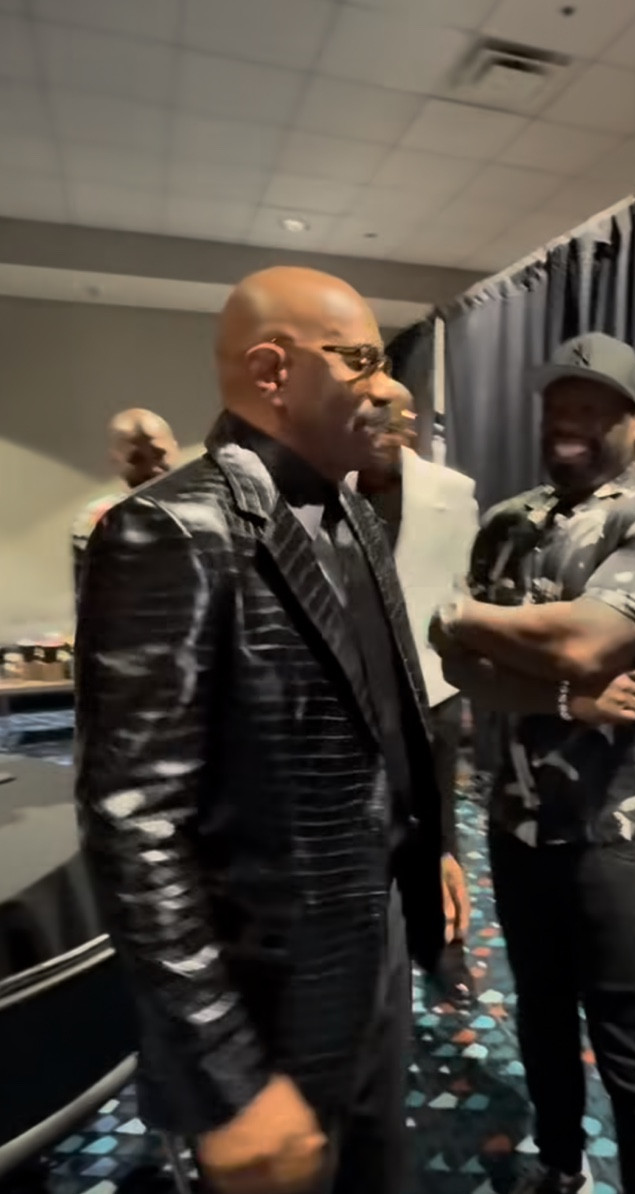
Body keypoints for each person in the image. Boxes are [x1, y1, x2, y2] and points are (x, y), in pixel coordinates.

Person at [74, 267, 445, 1194]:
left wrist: (423, 840)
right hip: (268, 983)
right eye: (360, 360)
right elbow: (135, 824)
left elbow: (381, 709)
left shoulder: (355, 508)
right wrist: (226, 1075)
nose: (388, 388)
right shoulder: (170, 528)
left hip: (378, 932)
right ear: (272, 370)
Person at [429, 332, 635, 1194]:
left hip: (624, 840)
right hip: (518, 830)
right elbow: (460, 671)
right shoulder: (506, 522)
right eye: (559, 406)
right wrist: (561, 695)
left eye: (592, 408)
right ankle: (558, 1167)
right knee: (541, 1023)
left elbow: (589, 636)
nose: (569, 423)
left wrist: (460, 612)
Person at [352, 378, 479, 1008]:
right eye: (368, 416)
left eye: (389, 418)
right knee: (357, 822)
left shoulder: (451, 493)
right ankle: (370, 951)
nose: (378, 428)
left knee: (437, 830)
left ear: (409, 425)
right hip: (350, 691)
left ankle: (443, 948)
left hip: (431, 688)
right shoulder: (328, 487)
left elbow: (467, 590)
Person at [71, 408, 179, 594]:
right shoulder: (99, 519)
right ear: (115, 460)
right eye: (136, 459)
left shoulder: (213, 505)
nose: (152, 468)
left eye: (160, 454)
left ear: (175, 448)